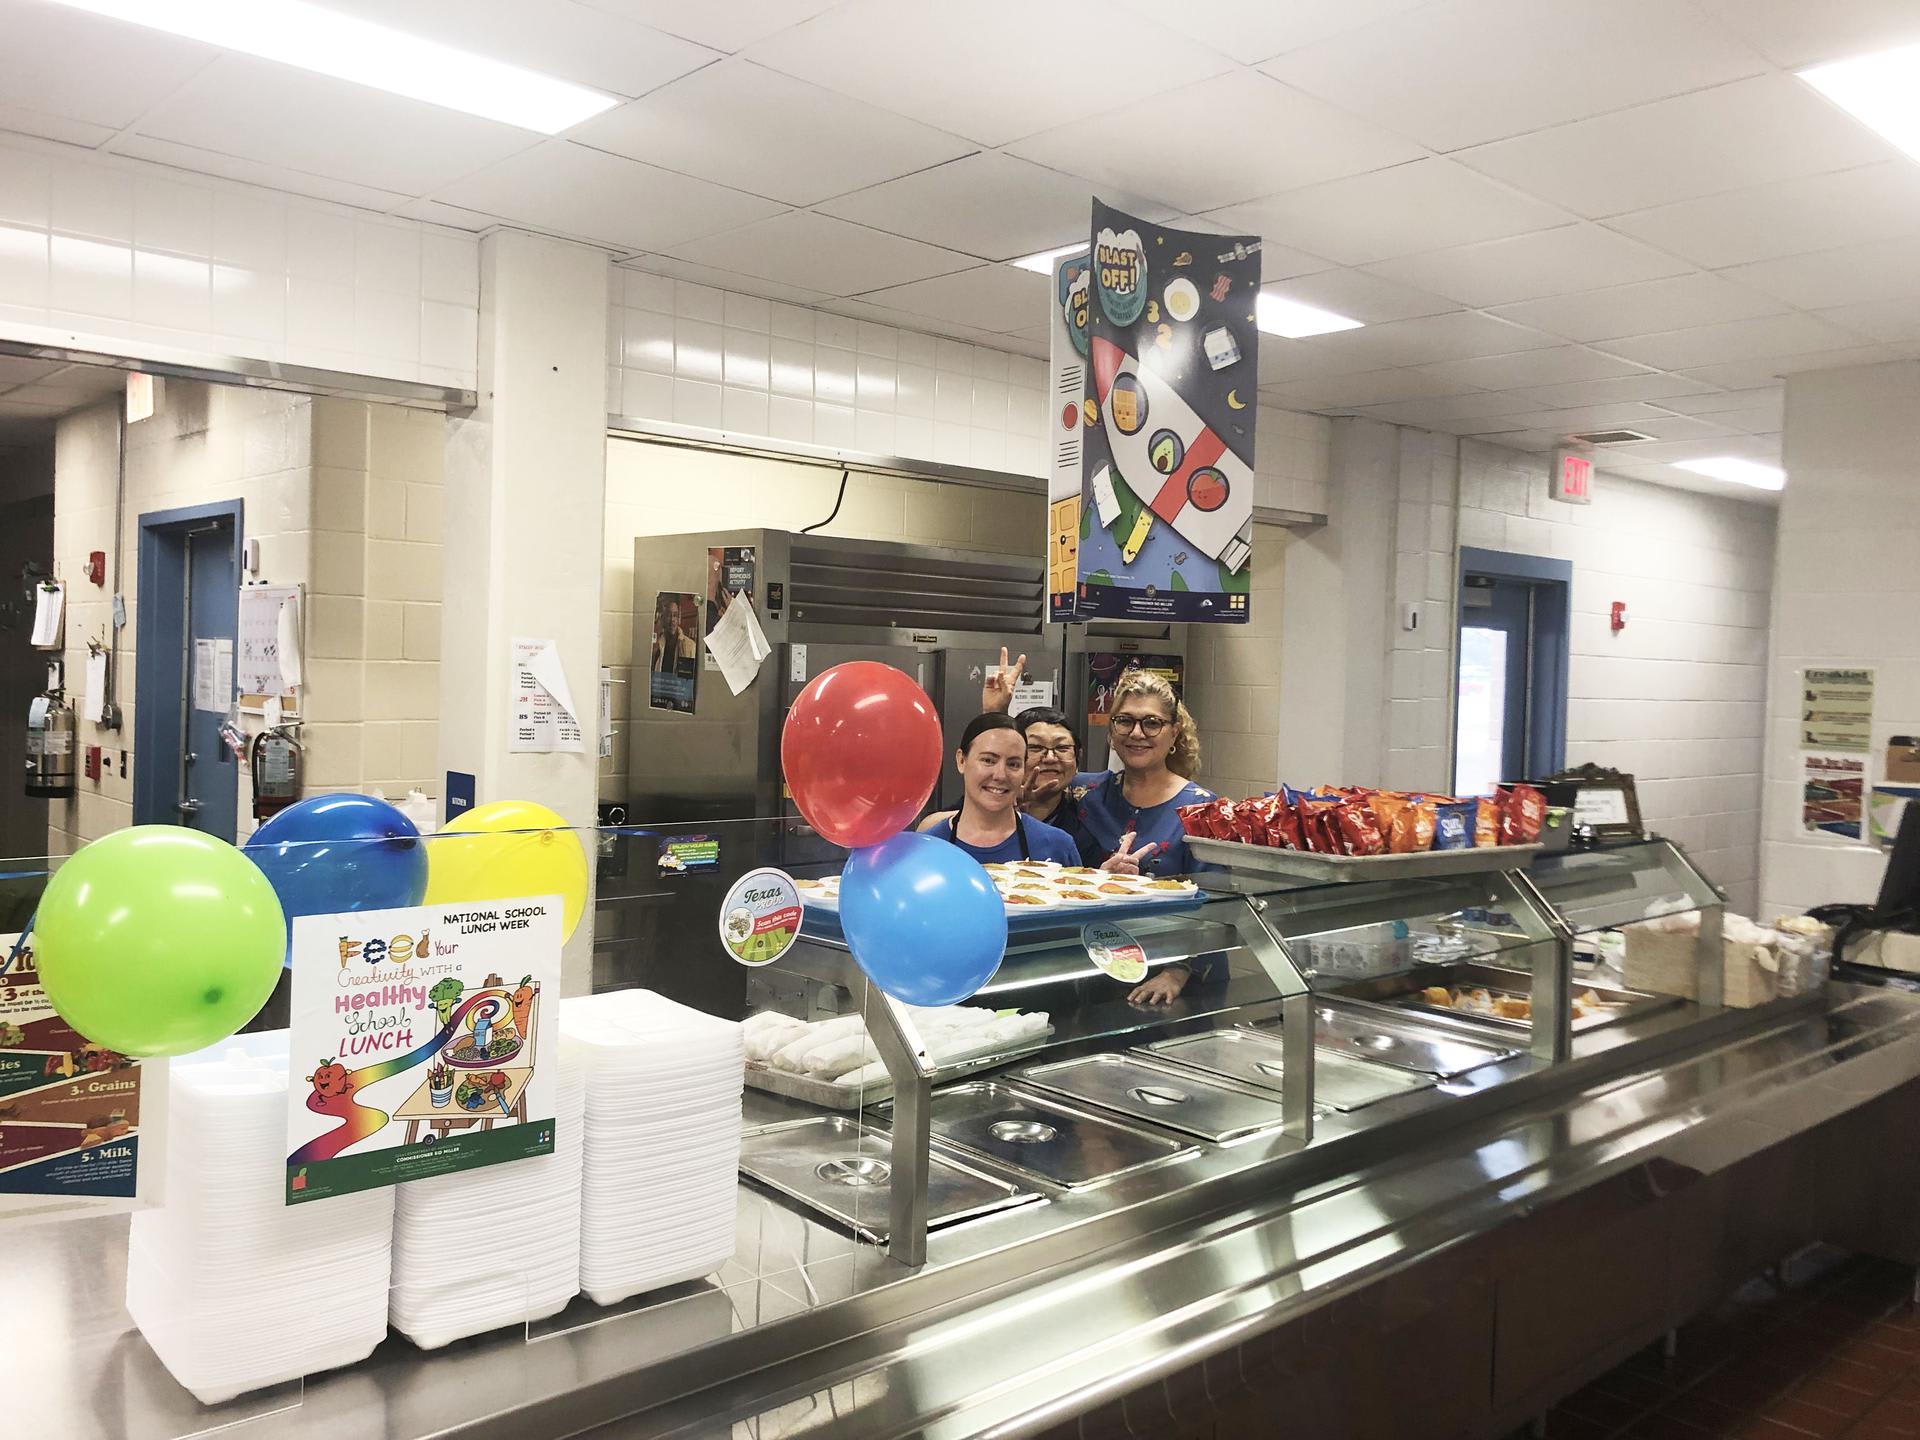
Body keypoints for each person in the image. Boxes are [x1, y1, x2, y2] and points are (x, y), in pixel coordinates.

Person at [986, 654, 1216, 1005]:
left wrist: (1177, 973)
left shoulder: (1202, 811)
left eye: (1152, 723)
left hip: (1171, 985)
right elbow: (992, 781)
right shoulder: (1086, 791)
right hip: (1097, 972)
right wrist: (996, 714)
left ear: (1174, 732)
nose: (1137, 733)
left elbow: (1217, 906)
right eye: (1125, 721)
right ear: (1112, 731)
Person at [917, 712, 1081, 866]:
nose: (1000, 775)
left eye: (1013, 764)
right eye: (988, 760)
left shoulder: (1057, 846)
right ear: (961, 761)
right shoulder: (927, 846)